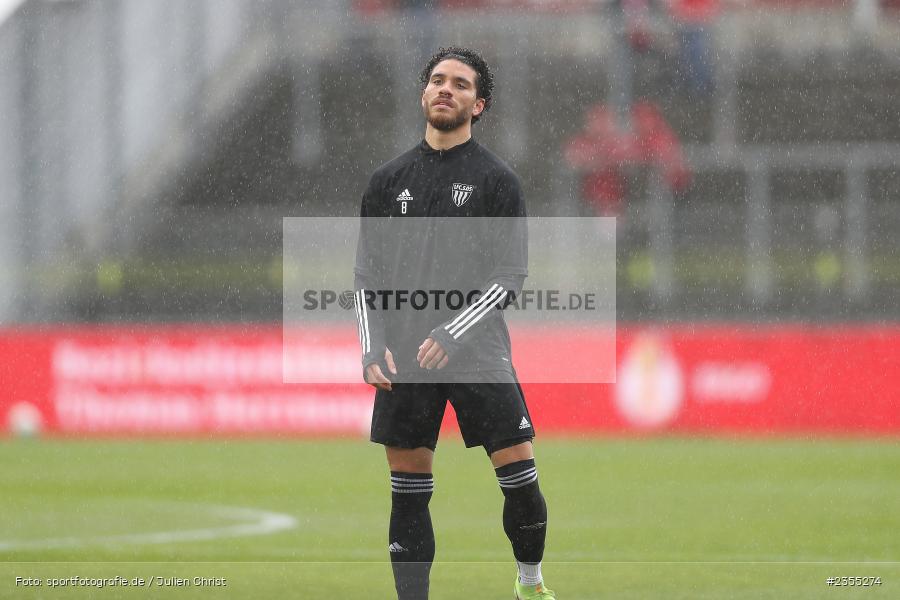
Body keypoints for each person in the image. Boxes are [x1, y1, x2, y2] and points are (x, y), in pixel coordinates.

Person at [353, 47, 555, 600]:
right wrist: (371, 350)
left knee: (519, 479)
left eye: (460, 84)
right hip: (405, 356)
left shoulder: (497, 182)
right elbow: (366, 275)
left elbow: (509, 275)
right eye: (438, 81)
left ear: (479, 103)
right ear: (424, 94)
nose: (446, 89)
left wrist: (451, 331)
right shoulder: (387, 180)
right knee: (408, 493)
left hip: (479, 352)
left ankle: (530, 582)